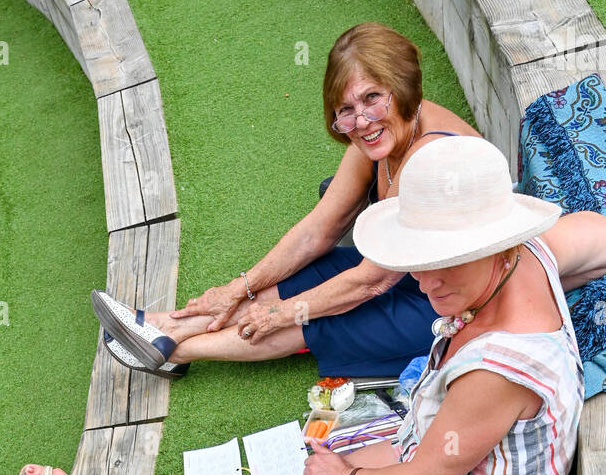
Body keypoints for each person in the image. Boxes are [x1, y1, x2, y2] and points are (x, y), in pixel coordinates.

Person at [12, 137, 606, 475]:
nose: (424, 282)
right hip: (457, 468)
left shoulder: (498, 368)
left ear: (497, 245)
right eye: (419, 263)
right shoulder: (533, 252)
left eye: (443, 266)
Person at [91, 22, 478, 379]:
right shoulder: (382, 133)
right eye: (345, 110)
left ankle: (179, 348)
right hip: (410, 274)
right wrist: (238, 288)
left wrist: (281, 312)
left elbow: (371, 283)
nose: (361, 121)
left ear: (403, 87)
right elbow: (317, 232)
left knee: (320, 314)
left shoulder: (431, 158)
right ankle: (168, 328)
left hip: (453, 305)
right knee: (312, 271)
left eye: (373, 98)